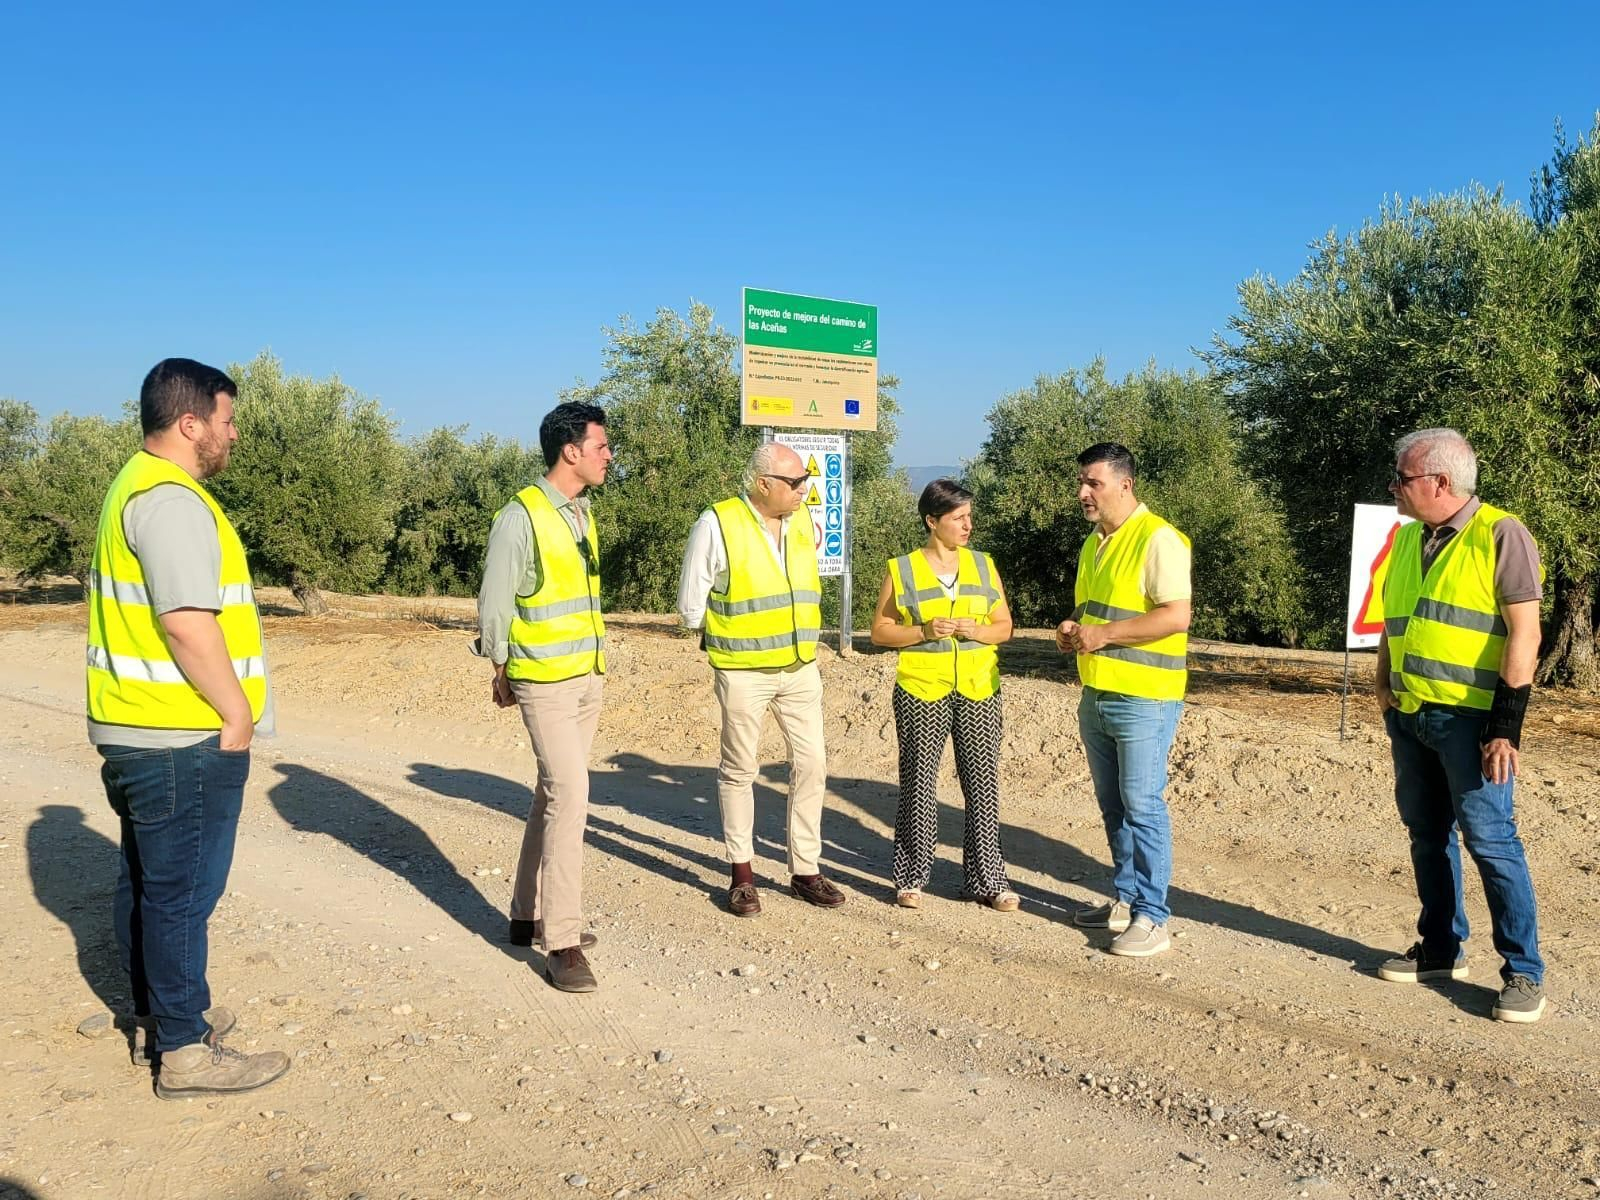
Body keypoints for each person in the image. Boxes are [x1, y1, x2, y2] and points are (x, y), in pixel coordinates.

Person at [87, 357, 289, 1098]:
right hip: (179, 732)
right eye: (229, 420)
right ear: (191, 423)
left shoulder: (131, 483)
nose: (234, 435)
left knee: (147, 883)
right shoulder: (172, 501)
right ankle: (183, 1051)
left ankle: (162, 1011)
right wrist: (238, 713)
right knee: (181, 895)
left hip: (134, 728)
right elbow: (185, 624)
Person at [1374, 428, 1546, 1023]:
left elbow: (1525, 634)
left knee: (1492, 842)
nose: (1394, 487)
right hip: (1412, 713)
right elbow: (1396, 619)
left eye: (1402, 478)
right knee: (1428, 835)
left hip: (1471, 725)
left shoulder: (1501, 534)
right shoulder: (1405, 540)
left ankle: (1524, 973)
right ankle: (1441, 950)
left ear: (1441, 483)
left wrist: (1506, 727)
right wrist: (1383, 682)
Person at [474, 402, 610, 992]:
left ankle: (526, 914)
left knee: (550, 792)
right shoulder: (520, 516)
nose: (610, 455)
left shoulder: (582, 511)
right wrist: (501, 667)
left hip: (586, 677)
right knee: (571, 793)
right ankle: (563, 940)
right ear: (571, 450)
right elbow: (495, 600)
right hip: (544, 681)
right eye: (601, 446)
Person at [677, 442, 846, 917]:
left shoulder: (800, 527)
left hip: (800, 668)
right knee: (739, 770)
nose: (804, 489)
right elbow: (692, 605)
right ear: (762, 483)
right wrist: (718, 641)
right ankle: (742, 874)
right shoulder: (717, 523)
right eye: (794, 482)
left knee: (812, 764)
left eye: (804, 480)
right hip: (742, 671)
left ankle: (805, 870)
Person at [1055, 442, 1191, 958]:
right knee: (1114, 806)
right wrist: (1074, 629)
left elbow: (1176, 616)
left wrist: (1105, 635)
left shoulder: (1159, 539)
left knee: (1142, 805)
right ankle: (1127, 899)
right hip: (1099, 692)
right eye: (1082, 483)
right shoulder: (1096, 543)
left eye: (1093, 483)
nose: (1083, 492)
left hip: (1145, 698)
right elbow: (1095, 612)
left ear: (1125, 484)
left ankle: (1154, 918)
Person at [870, 479, 1017, 910]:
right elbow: (880, 631)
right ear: (932, 521)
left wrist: (979, 630)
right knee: (918, 784)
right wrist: (921, 631)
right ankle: (911, 877)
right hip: (921, 690)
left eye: (969, 516)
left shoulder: (985, 565)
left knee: (983, 787)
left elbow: (1005, 627)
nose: (968, 525)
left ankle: (988, 880)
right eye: (958, 518)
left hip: (979, 689)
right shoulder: (902, 569)